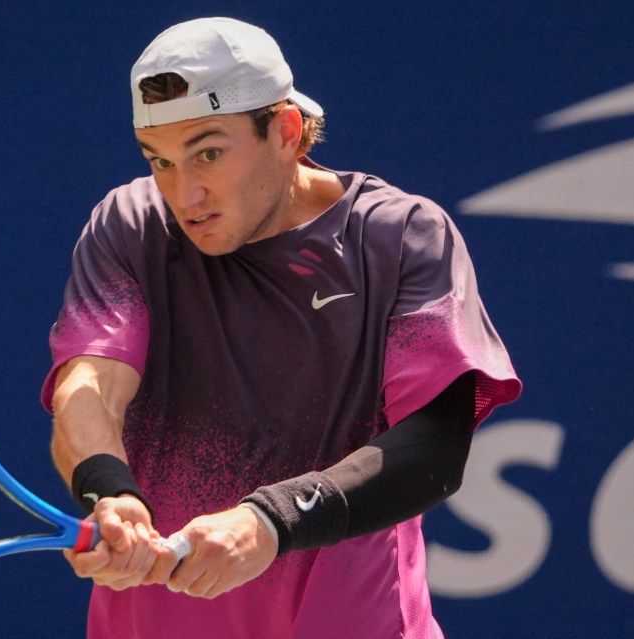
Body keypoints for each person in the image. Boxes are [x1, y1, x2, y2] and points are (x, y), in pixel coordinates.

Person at [41, 16, 521, 639]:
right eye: (160, 160)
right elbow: (91, 385)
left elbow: (435, 445)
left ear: (287, 131)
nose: (184, 194)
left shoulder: (401, 236)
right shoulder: (131, 225)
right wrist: (110, 493)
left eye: (208, 153)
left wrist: (270, 522)